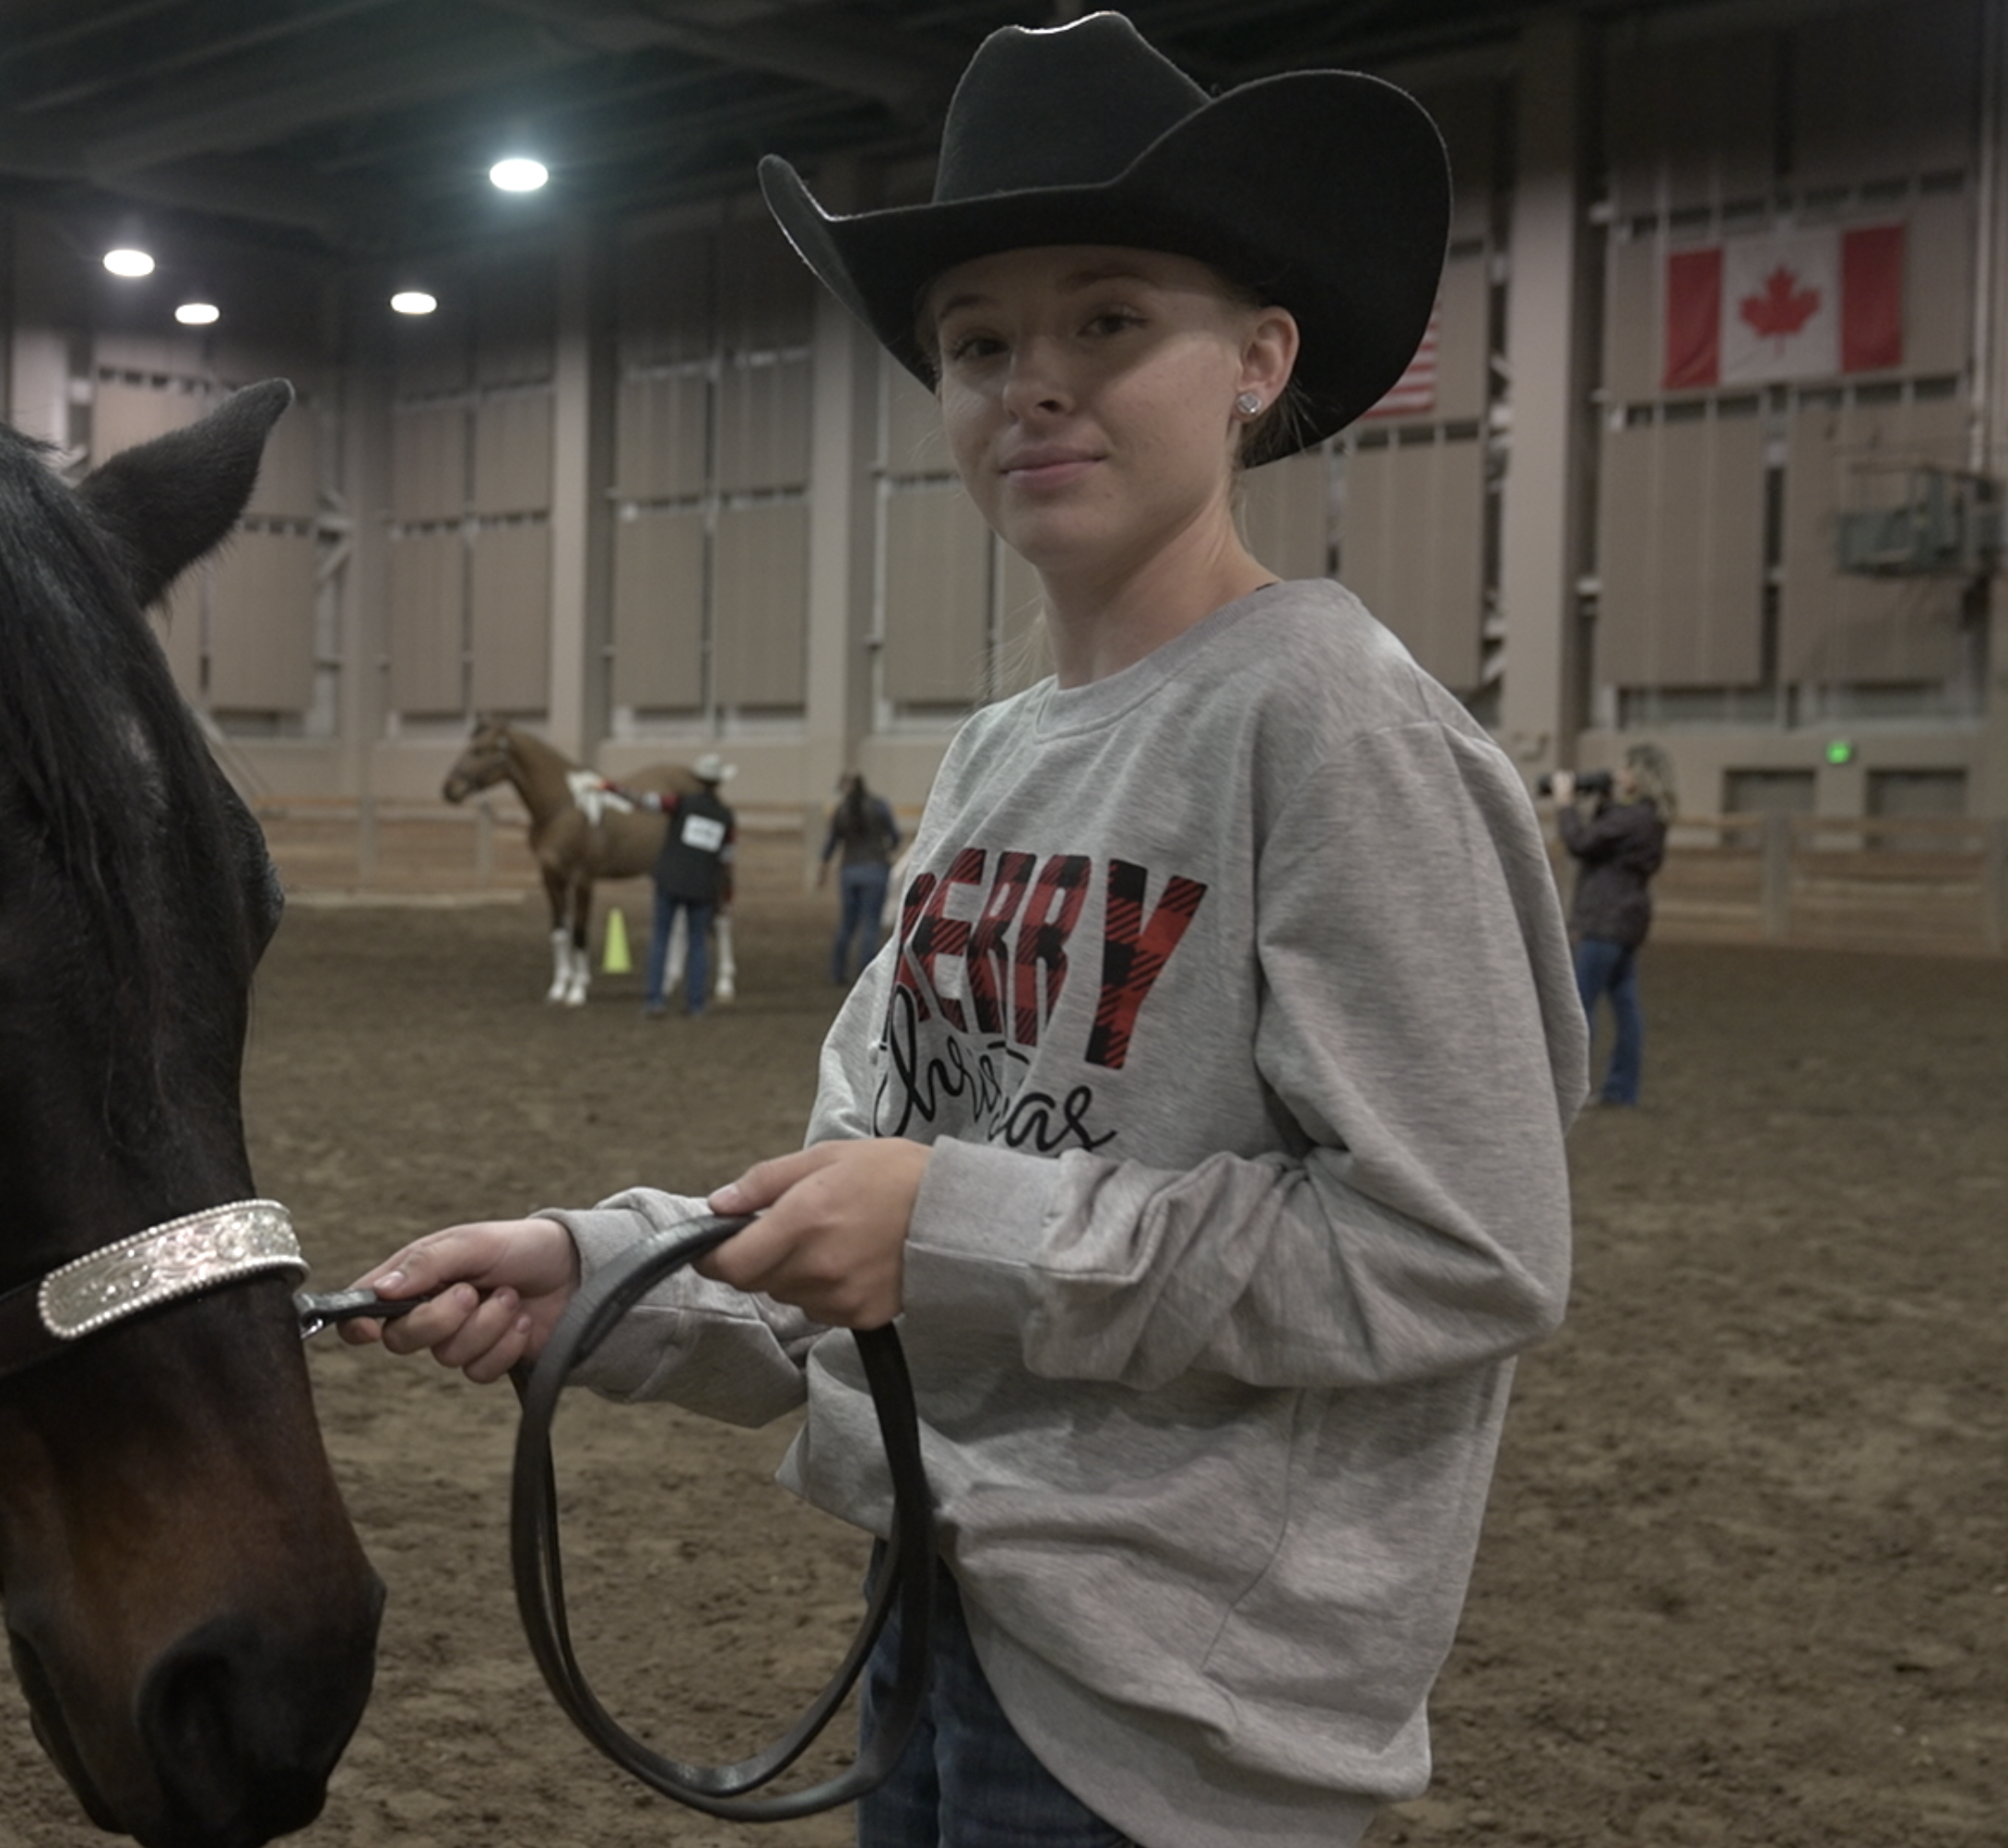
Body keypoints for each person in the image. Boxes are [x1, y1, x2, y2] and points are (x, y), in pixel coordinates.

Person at [340, 16, 1586, 1848]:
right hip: (933, 1622)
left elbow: (1460, 1249)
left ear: (1256, 360)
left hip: (1175, 1702)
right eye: (975, 342)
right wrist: (591, 1280)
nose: (1033, 384)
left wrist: (958, 1232)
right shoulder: (996, 762)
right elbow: (871, 1220)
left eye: (1105, 321)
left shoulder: (1324, 722)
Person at [1545, 742, 1673, 1107]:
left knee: (1578, 1005)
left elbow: (1581, 842)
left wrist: (1566, 804)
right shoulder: (1649, 816)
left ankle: (1567, 1089)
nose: (1619, 775)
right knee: (1625, 1005)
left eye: (1626, 769)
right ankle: (1622, 1089)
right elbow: (1604, 837)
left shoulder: (1633, 819)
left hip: (1606, 918)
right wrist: (1603, 800)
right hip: (1627, 919)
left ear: (1641, 776)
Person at [642, 752, 736, 1017]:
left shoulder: (682, 803)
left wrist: (611, 790)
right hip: (703, 886)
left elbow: (650, 803)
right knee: (697, 944)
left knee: (661, 937)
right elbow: (727, 861)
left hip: (670, 879)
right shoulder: (725, 816)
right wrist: (726, 896)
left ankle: (655, 999)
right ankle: (695, 1003)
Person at [820, 770, 904, 984]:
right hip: (875, 869)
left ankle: (837, 972)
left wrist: (823, 872)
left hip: (849, 871)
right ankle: (866, 975)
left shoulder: (841, 811)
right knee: (870, 924)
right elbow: (895, 836)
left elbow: (830, 845)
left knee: (847, 924)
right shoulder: (879, 806)